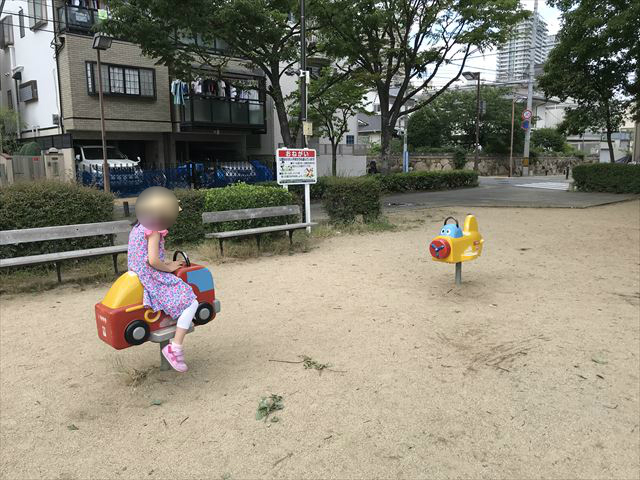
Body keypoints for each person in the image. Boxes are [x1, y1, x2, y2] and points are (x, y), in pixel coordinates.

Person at [128, 187, 197, 372]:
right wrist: (167, 267)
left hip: (137, 273)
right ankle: (175, 347)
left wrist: (165, 263)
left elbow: (143, 256)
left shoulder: (138, 227)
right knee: (191, 302)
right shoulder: (154, 229)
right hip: (151, 276)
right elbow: (152, 260)